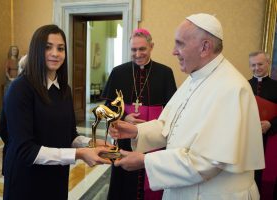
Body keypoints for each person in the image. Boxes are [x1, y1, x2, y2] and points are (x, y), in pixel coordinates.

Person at [109, 13, 265, 199]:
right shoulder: (196, 77)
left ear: (205, 47)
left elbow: (208, 161)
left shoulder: (230, 88)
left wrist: (145, 160)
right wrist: (137, 131)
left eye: (180, 43)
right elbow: (171, 125)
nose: (174, 51)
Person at [0, 24, 111, 200]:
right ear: (36, 50)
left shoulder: (64, 90)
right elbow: (24, 150)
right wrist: (78, 154)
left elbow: (69, 135)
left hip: (56, 176)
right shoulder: (20, 89)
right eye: (48, 47)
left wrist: (92, 143)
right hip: (26, 181)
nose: (55, 53)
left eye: (61, 48)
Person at [101, 28, 176, 200]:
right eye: (133, 49)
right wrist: (124, 117)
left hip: (155, 142)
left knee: (153, 182)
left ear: (151, 47)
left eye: (142, 49)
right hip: (125, 139)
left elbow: (172, 110)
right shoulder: (118, 72)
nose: (137, 54)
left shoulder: (165, 73)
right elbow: (108, 106)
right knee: (124, 182)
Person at [248, 51, 277, 199]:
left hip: (270, 139)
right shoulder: (244, 86)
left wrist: (271, 124)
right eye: (253, 65)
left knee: (265, 174)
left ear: (267, 63)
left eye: (260, 64)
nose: (256, 68)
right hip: (248, 140)